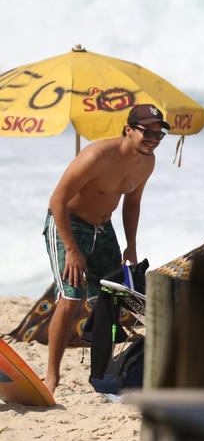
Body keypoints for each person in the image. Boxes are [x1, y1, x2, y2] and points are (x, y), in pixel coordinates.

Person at [43, 104, 167, 394]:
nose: (154, 139)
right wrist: (72, 250)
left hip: (104, 228)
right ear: (128, 130)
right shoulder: (96, 156)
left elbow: (132, 203)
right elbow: (57, 201)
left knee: (112, 295)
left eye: (159, 135)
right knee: (70, 298)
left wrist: (131, 245)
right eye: (147, 132)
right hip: (69, 226)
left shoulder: (147, 161)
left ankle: (99, 374)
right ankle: (51, 376)